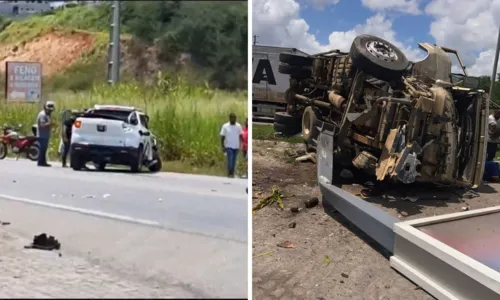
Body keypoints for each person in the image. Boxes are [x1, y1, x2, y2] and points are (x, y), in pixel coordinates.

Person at [220, 113, 243, 178]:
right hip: (229, 146)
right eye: (232, 117)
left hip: (236, 146)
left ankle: (232, 172)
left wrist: (242, 144)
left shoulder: (238, 126)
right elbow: (222, 137)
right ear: (230, 118)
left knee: (234, 160)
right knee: (230, 160)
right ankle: (230, 172)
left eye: (235, 117)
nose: (234, 119)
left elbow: (241, 136)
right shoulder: (225, 126)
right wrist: (223, 146)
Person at [36, 101, 55, 167]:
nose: (50, 112)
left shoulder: (47, 115)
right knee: (42, 149)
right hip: (42, 135)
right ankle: (40, 162)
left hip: (45, 135)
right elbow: (42, 125)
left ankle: (43, 162)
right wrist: (50, 124)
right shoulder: (42, 115)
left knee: (44, 149)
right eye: (49, 110)